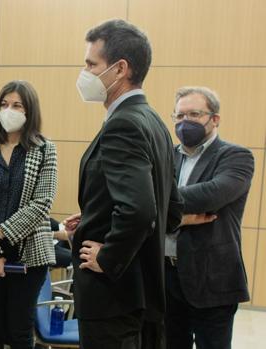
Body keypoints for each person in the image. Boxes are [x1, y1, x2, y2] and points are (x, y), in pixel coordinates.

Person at [65, 19, 183, 348]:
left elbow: (139, 209)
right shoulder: (155, 123)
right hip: (143, 293)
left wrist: (109, 256)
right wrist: (92, 218)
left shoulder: (124, 125)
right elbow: (171, 212)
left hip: (112, 296)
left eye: (91, 64)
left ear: (119, 69)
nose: (84, 72)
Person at [0, 80, 58, 349]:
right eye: (4, 104)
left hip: (29, 253)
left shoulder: (44, 149)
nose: (9, 110)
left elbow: (41, 203)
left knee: (19, 333)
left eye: (17, 105)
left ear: (29, 111)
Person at [165, 87, 254, 349]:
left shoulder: (236, 156)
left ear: (214, 119)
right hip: (166, 275)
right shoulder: (166, 156)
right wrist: (178, 217)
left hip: (212, 278)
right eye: (179, 116)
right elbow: (145, 202)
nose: (184, 122)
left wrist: (160, 200)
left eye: (194, 114)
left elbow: (212, 195)